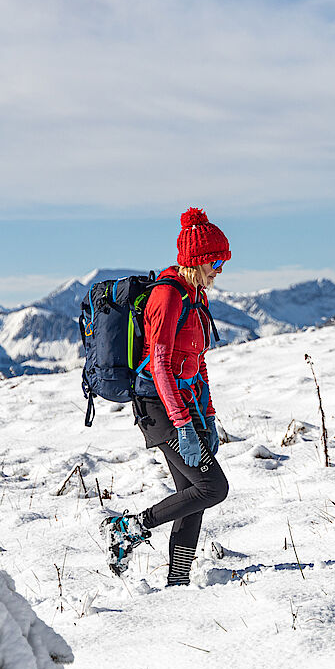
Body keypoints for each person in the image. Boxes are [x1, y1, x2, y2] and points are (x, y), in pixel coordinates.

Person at [101, 207, 232, 586]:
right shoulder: (168, 297)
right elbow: (159, 365)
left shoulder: (197, 296)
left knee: (193, 496)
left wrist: (206, 415)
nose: (220, 269)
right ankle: (129, 528)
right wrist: (183, 424)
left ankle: (177, 585)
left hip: (184, 404)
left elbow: (198, 361)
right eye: (216, 261)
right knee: (212, 488)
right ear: (199, 260)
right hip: (158, 407)